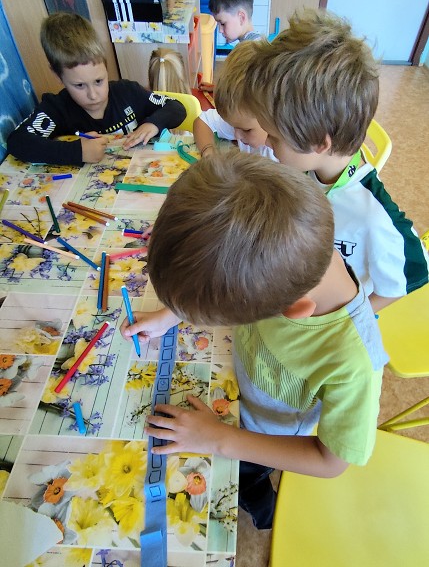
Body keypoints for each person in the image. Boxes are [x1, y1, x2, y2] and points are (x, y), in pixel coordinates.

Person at [120, 151, 387, 530]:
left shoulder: (355, 363)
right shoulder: (293, 256)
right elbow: (230, 263)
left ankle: (265, 515)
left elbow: (330, 461)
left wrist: (220, 439)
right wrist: (175, 311)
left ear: (293, 311)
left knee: (249, 480)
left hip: (263, 440)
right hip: (237, 396)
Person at [218, 8, 429, 312]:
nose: (267, 143)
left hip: (336, 322)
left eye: (274, 137)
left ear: (318, 143)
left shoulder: (372, 216)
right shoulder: (309, 168)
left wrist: (353, 317)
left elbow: (415, 271)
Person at [7, 12, 186, 166]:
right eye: (79, 85)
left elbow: (176, 106)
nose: (93, 95)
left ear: (106, 67)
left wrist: (153, 123)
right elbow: (18, 142)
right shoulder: (57, 108)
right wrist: (77, 152)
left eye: (99, 81)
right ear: (58, 76)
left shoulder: (128, 92)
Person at [193, 42, 276, 160]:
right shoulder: (242, 119)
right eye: (233, 127)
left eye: (247, 130)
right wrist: (208, 152)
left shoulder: (288, 156)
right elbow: (203, 121)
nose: (237, 136)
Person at [199, 0, 262, 93]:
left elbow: (241, 94)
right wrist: (218, 88)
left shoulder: (248, 51)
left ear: (241, 17)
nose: (220, 30)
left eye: (222, 23)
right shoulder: (256, 41)